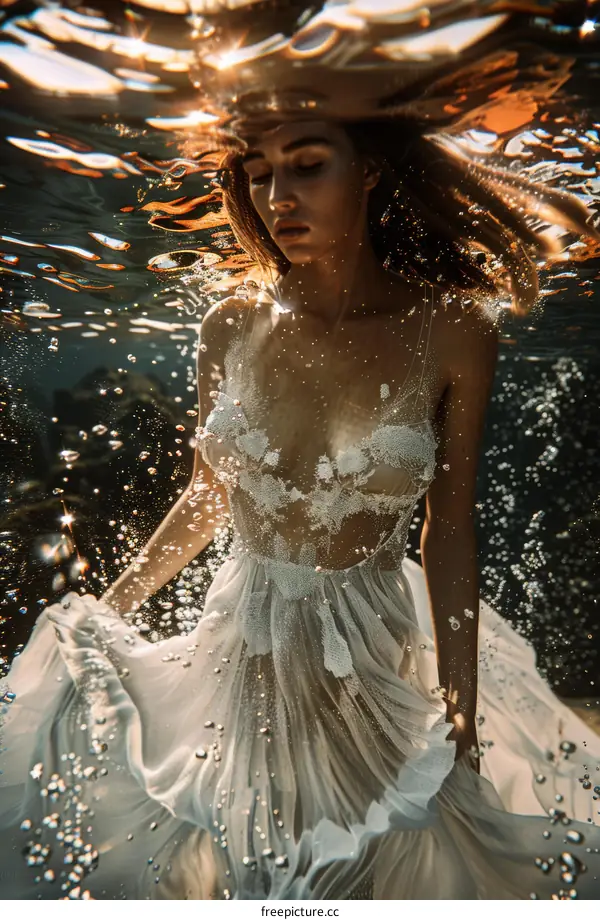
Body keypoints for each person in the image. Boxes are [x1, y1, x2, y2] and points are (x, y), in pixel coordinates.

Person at [1, 117, 599, 900]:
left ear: (373, 171)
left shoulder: (453, 330)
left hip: (368, 664)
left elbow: (447, 528)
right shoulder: (231, 324)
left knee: (363, 871)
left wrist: (460, 710)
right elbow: (206, 495)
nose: (277, 195)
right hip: (241, 655)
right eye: (257, 172)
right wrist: (107, 609)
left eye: (308, 165)